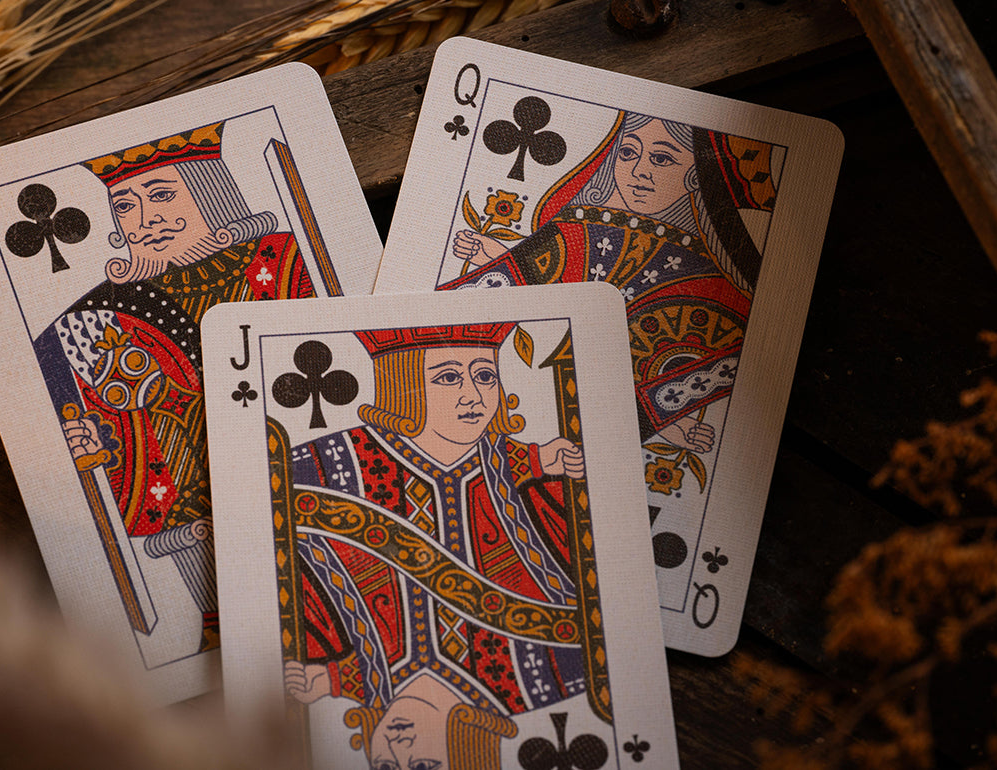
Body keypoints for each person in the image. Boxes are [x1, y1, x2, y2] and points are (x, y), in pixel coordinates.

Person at [32, 121, 315, 651]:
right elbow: (110, 417)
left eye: (162, 195)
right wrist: (97, 444)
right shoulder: (99, 317)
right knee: (244, 658)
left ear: (212, 191)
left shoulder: (289, 261)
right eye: (126, 207)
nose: (147, 220)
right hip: (199, 524)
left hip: (315, 487)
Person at [278, 324, 607, 770]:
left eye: (486, 377)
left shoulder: (373, 684)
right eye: (450, 377)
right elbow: (587, 627)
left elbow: (377, 656)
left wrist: (325, 678)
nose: (474, 396)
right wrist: (539, 461)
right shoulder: (535, 682)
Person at [449, 112, 778, 464]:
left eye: (662, 158)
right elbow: (511, 281)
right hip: (521, 415)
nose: (639, 171)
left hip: (597, 451)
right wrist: (494, 253)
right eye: (628, 153)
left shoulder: (712, 286)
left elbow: (688, 378)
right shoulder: (582, 231)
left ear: (696, 177)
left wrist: (666, 423)